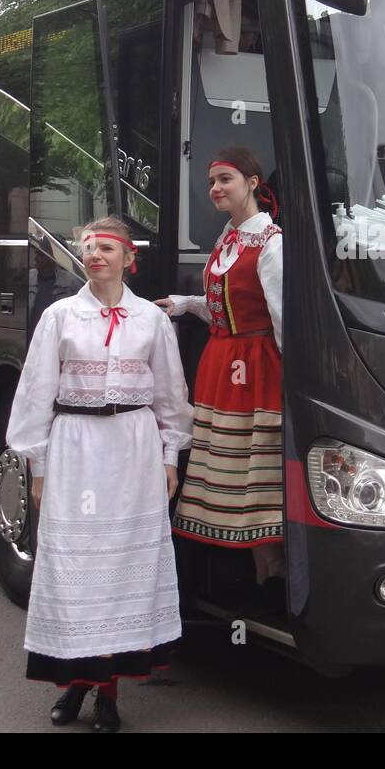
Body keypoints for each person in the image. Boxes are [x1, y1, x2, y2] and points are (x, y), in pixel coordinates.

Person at [6, 215, 193, 732]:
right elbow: (35, 393)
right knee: (77, 567)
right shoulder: (60, 316)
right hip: (75, 447)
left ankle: (106, 693)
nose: (95, 255)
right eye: (88, 247)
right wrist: (37, 465)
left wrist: (169, 456)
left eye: (107, 248)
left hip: (132, 449)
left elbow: (170, 396)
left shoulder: (151, 322)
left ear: (129, 259)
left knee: (119, 570)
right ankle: (74, 686)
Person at [156, 146, 285, 611]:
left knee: (254, 473)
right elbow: (226, 307)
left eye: (226, 179)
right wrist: (184, 303)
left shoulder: (271, 242)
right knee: (222, 472)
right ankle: (235, 581)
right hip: (221, 361)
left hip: (254, 367)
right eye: (212, 181)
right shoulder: (228, 238)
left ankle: (268, 576)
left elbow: (281, 316)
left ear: (252, 182)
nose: (216, 188)